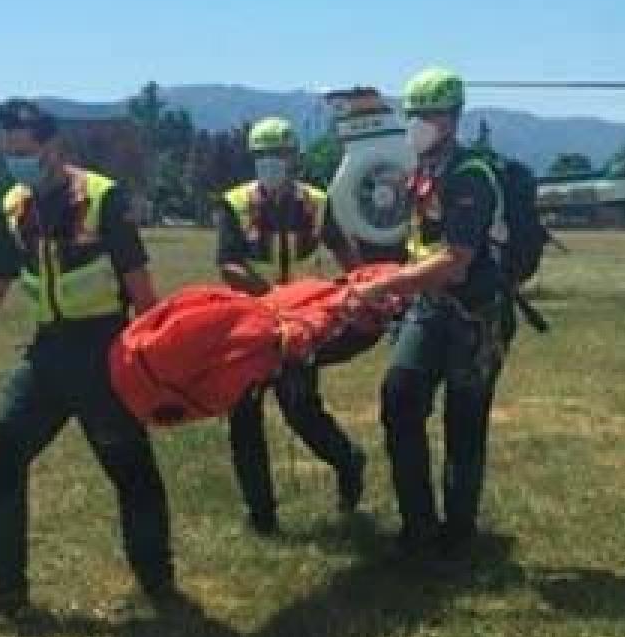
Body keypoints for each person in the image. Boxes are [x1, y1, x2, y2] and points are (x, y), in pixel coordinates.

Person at [0, 99, 174, 619]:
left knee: (129, 467)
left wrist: (154, 360)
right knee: (1, 452)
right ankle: (6, 588)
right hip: (48, 353)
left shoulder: (102, 199)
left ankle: (158, 585)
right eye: (8, 152)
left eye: (24, 151)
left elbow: (140, 287)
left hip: (105, 351)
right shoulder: (14, 207)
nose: (16, 162)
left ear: (53, 147)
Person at [356, 67, 514, 569]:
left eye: (431, 114)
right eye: (415, 114)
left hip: (474, 317)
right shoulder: (422, 173)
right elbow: (419, 247)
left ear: (454, 118)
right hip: (427, 308)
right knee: (399, 397)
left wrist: (386, 287)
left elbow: (455, 261)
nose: (420, 123)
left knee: (463, 426)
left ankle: (458, 535)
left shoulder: (470, 176)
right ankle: (417, 525)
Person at [216, 115, 369, 535]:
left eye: (278, 154)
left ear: (293, 158)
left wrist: (361, 285)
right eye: (262, 155)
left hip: (300, 325)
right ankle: (261, 513)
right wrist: (270, 297)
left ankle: (347, 460)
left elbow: (343, 249)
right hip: (249, 325)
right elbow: (229, 263)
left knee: (300, 409)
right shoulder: (235, 204)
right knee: (244, 417)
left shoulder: (316, 203)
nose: (271, 162)